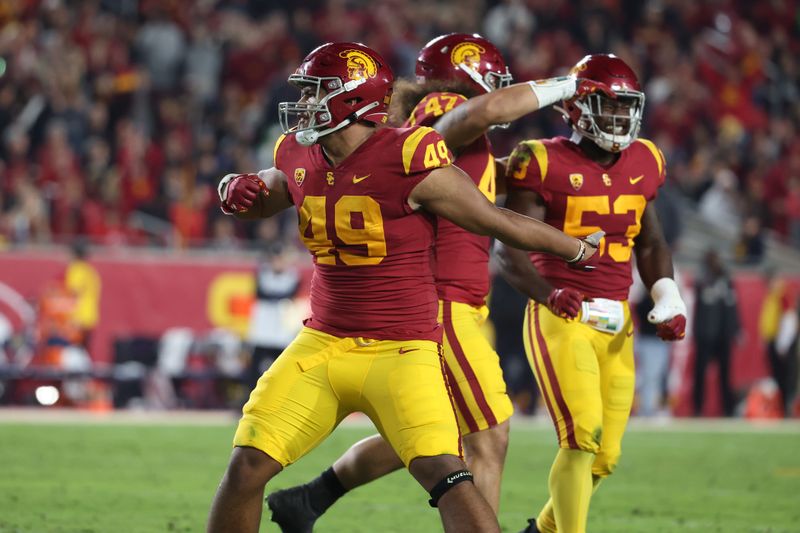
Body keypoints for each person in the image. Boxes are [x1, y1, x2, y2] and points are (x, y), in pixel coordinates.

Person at [206, 41, 600, 533]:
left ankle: (314, 496)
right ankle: (311, 497)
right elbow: (273, 187)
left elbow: (493, 219)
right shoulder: (298, 151)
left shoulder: (409, 152)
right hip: (323, 344)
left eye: (316, 93)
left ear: (351, 101)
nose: (304, 104)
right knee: (246, 465)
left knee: (449, 473)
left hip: (402, 349)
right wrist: (234, 187)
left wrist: (575, 249)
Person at [497, 54, 688, 533]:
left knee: (606, 457)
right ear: (578, 107)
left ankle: (539, 531)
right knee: (582, 437)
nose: (621, 117)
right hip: (563, 316)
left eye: (626, 107)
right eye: (609, 105)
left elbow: (651, 242)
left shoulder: (646, 159)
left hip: (617, 319)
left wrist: (667, 297)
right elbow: (509, 247)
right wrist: (547, 293)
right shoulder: (540, 159)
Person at [692, 248, 741, 417]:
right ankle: (697, 409)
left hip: (723, 335)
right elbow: (697, 309)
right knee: (700, 374)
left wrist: (736, 329)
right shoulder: (702, 281)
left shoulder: (726, 281)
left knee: (725, 375)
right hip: (705, 335)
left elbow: (733, 308)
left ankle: (728, 409)